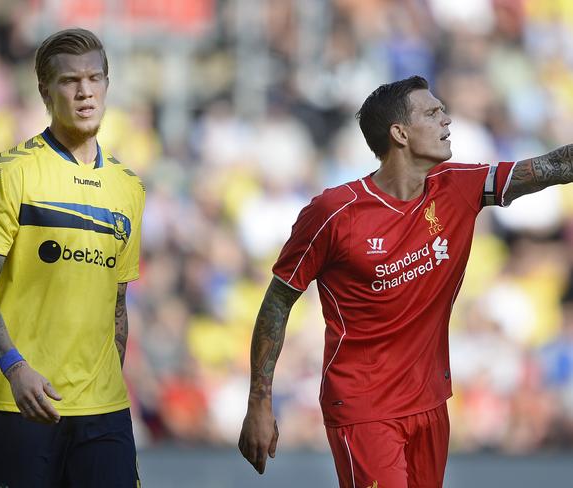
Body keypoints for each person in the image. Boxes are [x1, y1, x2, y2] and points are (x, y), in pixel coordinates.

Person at [238, 75, 571, 487]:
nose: (447, 120)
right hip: (364, 406)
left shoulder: (460, 186)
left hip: (430, 402)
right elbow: (277, 302)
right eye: (432, 113)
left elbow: (555, 167)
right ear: (400, 133)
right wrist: (259, 402)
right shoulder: (334, 212)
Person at [0, 28, 145, 487]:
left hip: (102, 410)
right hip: (18, 400)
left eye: (95, 78)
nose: (85, 91)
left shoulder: (129, 188)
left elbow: (116, 303)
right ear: (46, 91)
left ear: (107, 84)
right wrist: (15, 369)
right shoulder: (11, 172)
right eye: (69, 81)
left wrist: (106, 382)